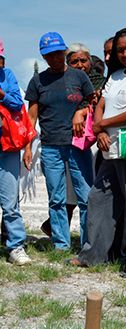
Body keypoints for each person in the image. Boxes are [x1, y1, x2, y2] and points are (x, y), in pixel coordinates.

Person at [69, 28, 126, 275]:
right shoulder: (115, 75)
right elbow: (100, 103)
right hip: (108, 151)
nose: (125, 53)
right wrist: (98, 131)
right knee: (98, 199)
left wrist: (104, 125)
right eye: (121, 50)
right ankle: (93, 255)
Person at [24, 32, 95, 250]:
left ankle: (87, 246)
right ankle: (61, 245)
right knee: (56, 198)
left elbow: (92, 103)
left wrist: (80, 111)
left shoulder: (79, 77)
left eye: (58, 53)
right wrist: (27, 147)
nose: (54, 58)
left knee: (85, 197)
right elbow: (31, 117)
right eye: (49, 55)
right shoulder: (38, 81)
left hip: (77, 145)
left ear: (64, 52)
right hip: (51, 147)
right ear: (43, 57)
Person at [39, 42, 105, 238]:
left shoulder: (100, 82)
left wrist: (82, 110)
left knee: (85, 193)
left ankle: (89, 240)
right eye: (74, 61)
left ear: (90, 62)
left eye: (83, 60)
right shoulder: (63, 80)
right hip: (68, 142)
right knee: (62, 193)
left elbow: (95, 102)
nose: (80, 64)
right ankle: (60, 237)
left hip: (92, 143)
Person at [0, 39, 32, 265]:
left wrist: (1, 94)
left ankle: (16, 246)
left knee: (10, 200)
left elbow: (16, 102)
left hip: (7, 147)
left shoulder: (8, 75)